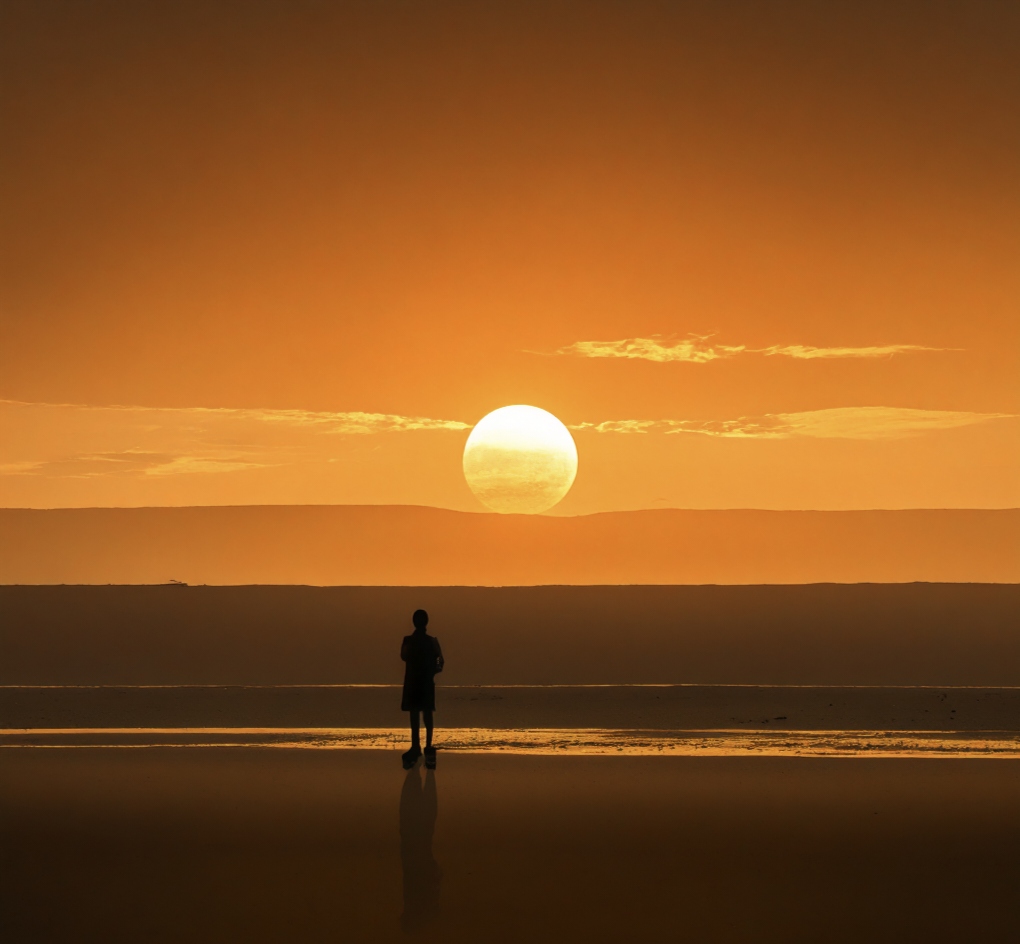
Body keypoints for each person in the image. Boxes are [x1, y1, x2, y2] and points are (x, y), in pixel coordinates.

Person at [401, 609, 444, 769]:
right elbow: (440, 660)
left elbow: (404, 656)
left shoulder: (409, 641)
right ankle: (426, 746)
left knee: (416, 715)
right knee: (426, 714)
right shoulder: (431, 641)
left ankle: (417, 747)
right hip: (425, 682)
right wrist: (433, 672)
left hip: (414, 682)